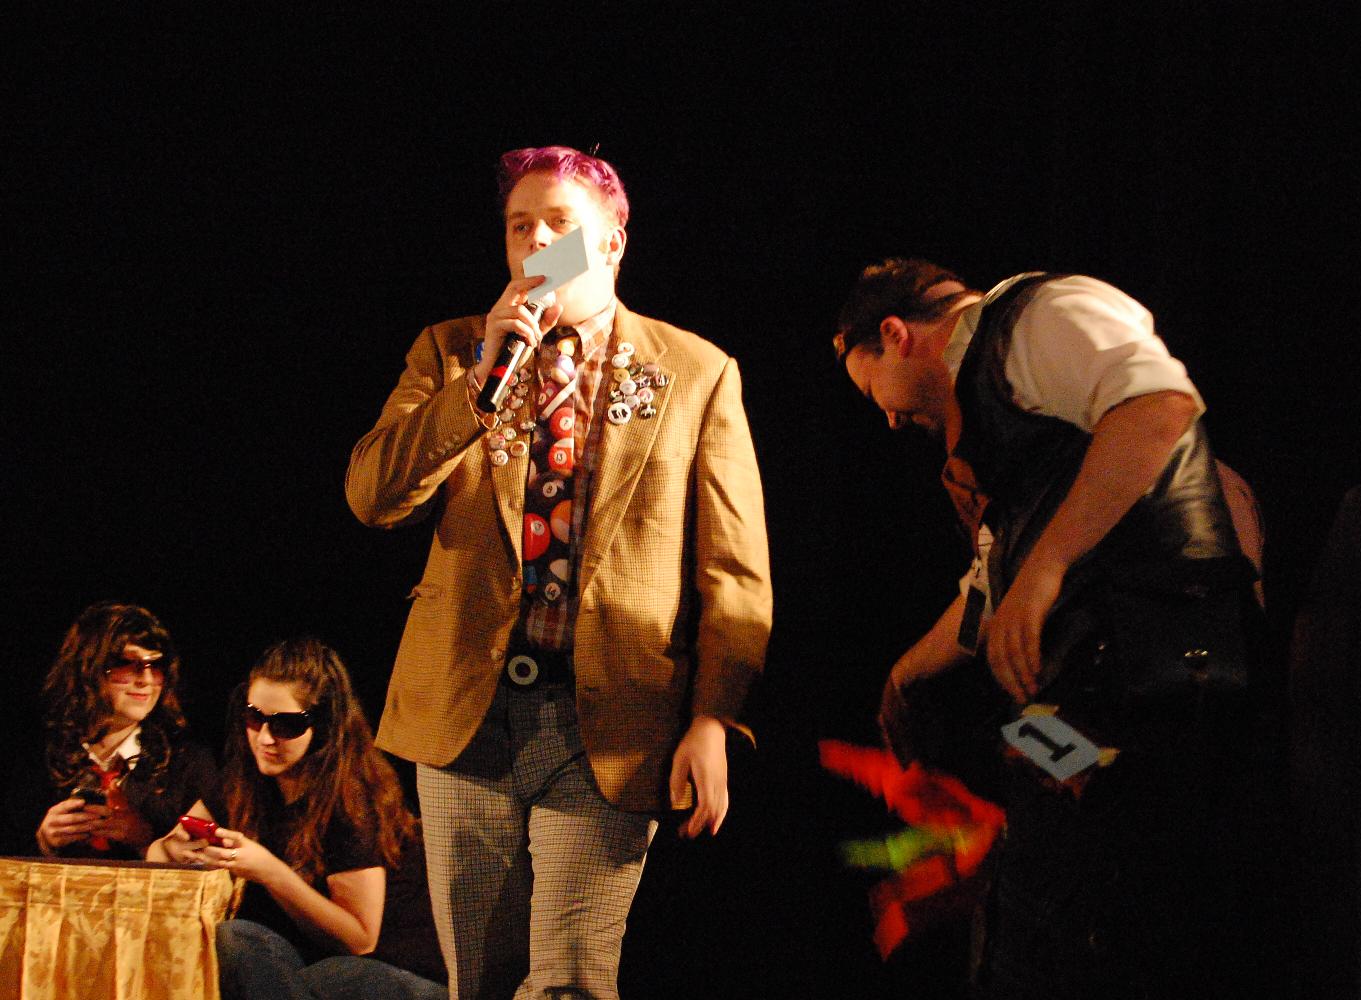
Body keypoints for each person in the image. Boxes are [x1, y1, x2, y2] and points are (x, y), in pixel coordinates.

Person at [345, 145, 772, 999]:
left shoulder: (696, 371)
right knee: (480, 979)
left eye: (559, 225)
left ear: (611, 241)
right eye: (519, 227)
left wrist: (714, 717)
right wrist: (478, 385)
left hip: (606, 720)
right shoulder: (453, 351)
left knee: (572, 980)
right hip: (468, 711)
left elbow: (734, 570)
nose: (536, 242)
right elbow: (373, 497)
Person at [834, 261, 1279, 997]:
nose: (886, 418)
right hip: (1081, 698)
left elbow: (1158, 406)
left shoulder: (1038, 315)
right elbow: (989, 586)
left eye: (869, 386)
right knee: (1040, 908)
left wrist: (1047, 568)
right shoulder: (994, 431)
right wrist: (904, 674)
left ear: (895, 335)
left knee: (1112, 931)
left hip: (1160, 678)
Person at [150, 637, 446, 1000]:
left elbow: (359, 939)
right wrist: (173, 850)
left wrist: (269, 871)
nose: (265, 738)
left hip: (390, 969)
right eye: (254, 718)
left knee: (328, 977)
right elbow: (158, 852)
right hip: (302, 966)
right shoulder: (243, 783)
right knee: (236, 939)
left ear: (323, 726)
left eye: (286, 725)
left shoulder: (351, 801)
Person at [12, 601, 217, 860]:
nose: (146, 680)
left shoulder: (189, 765)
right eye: (128, 665)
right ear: (88, 668)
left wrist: (145, 841)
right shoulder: (32, 758)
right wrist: (44, 844)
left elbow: (205, 867)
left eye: (156, 666)